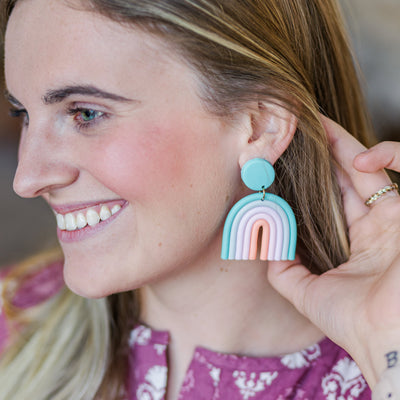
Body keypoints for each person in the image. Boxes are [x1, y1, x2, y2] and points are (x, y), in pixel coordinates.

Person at [0, 0, 399, 399]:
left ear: (260, 126)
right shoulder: (11, 317)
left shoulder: (382, 365)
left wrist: (388, 348)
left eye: (85, 113)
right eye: (24, 113)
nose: (27, 178)